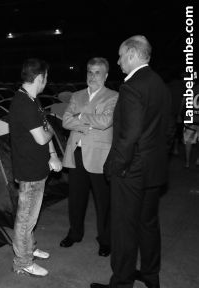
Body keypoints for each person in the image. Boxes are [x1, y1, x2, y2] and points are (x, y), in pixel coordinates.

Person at [91, 36, 175, 288]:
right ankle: (150, 276)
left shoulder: (132, 86)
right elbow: (170, 129)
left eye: (120, 56)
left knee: (123, 228)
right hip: (153, 169)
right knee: (148, 224)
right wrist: (157, 157)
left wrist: (116, 167)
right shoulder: (160, 83)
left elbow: (129, 135)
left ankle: (122, 282)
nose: (118, 62)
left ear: (131, 54)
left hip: (131, 171)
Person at [9, 58, 62, 277]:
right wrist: (50, 132)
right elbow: (43, 135)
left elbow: (44, 127)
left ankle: (28, 249)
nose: (46, 81)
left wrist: (52, 154)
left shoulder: (32, 100)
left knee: (30, 215)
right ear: (39, 78)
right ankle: (23, 261)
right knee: (25, 219)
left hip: (37, 167)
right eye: (46, 78)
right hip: (29, 170)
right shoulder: (23, 103)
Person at [60, 57, 118, 257]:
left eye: (97, 72)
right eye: (89, 72)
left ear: (106, 75)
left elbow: (105, 121)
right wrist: (88, 119)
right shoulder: (76, 95)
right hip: (76, 153)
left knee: (104, 202)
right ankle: (74, 234)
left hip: (100, 155)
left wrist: (81, 117)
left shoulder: (113, 96)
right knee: (76, 199)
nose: (92, 76)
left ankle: (105, 240)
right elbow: (66, 121)